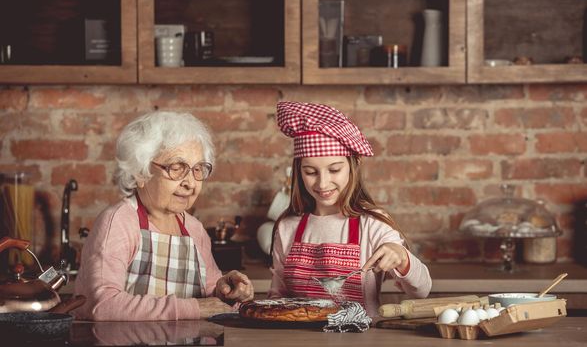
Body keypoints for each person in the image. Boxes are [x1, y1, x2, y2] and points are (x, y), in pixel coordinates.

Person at [73, 111, 254, 321]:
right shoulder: (120, 222)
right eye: (177, 168)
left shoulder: (195, 230)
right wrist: (193, 309)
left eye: (198, 169)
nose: (190, 182)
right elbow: (102, 304)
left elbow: (208, 295)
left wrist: (225, 290)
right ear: (140, 173)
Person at [268, 101, 432, 316]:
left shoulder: (372, 224)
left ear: (352, 167)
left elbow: (421, 290)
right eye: (311, 172)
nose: (323, 183)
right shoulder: (287, 227)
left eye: (334, 170)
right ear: (299, 172)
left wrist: (402, 257)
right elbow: (277, 297)